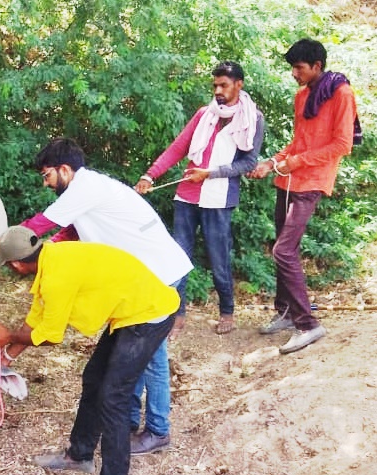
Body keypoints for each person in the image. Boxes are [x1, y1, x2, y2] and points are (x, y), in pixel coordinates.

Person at [0, 138, 191, 456]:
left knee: (150, 359)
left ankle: (157, 430)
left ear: (64, 170)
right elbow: (64, 235)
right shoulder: (87, 194)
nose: (46, 183)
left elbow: (36, 229)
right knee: (131, 360)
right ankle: (127, 422)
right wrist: (9, 354)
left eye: (47, 176)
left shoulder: (83, 189)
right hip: (139, 277)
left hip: (159, 273)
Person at [0, 226, 178, 475]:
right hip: (129, 311)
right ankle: (79, 455)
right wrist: (5, 358)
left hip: (148, 315)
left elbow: (50, 336)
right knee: (94, 379)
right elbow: (36, 321)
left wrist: (8, 337)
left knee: (113, 397)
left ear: (17, 264)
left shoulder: (56, 277)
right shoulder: (51, 257)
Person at [135, 61, 265, 336]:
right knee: (178, 255)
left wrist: (210, 173)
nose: (218, 90)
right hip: (187, 195)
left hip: (219, 199)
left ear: (238, 85)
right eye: (215, 85)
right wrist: (150, 175)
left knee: (219, 258)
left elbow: (248, 163)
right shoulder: (204, 114)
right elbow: (178, 148)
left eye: (223, 85)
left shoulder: (253, 118)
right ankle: (177, 314)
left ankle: (227, 312)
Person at [248, 39, 360, 354]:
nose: (295, 73)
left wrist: (296, 162)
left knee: (284, 251)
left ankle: (308, 324)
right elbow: (299, 142)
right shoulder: (303, 96)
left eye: (299, 68)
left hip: (312, 179)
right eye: (293, 68)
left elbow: (342, 144)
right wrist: (271, 162)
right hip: (288, 180)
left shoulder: (341, 94)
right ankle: (285, 312)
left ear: (317, 66)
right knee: (283, 246)